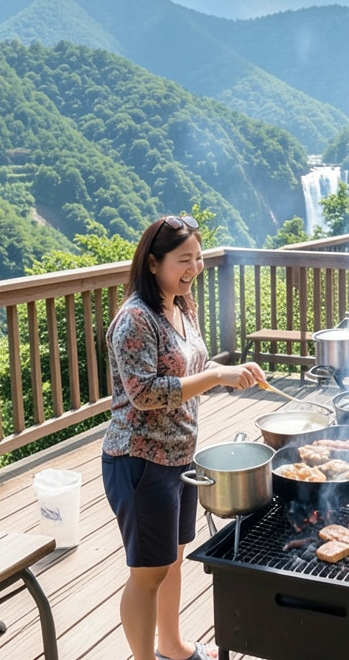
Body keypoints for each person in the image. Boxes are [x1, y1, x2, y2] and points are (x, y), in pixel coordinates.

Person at [102, 214, 267, 660]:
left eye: (197, 258)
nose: (193, 268)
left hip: (179, 457)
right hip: (140, 460)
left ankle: (171, 646)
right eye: (183, 260)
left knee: (171, 560)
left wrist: (233, 372)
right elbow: (144, 394)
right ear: (153, 263)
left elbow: (192, 363)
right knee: (147, 573)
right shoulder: (136, 318)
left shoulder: (179, 304)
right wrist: (216, 375)